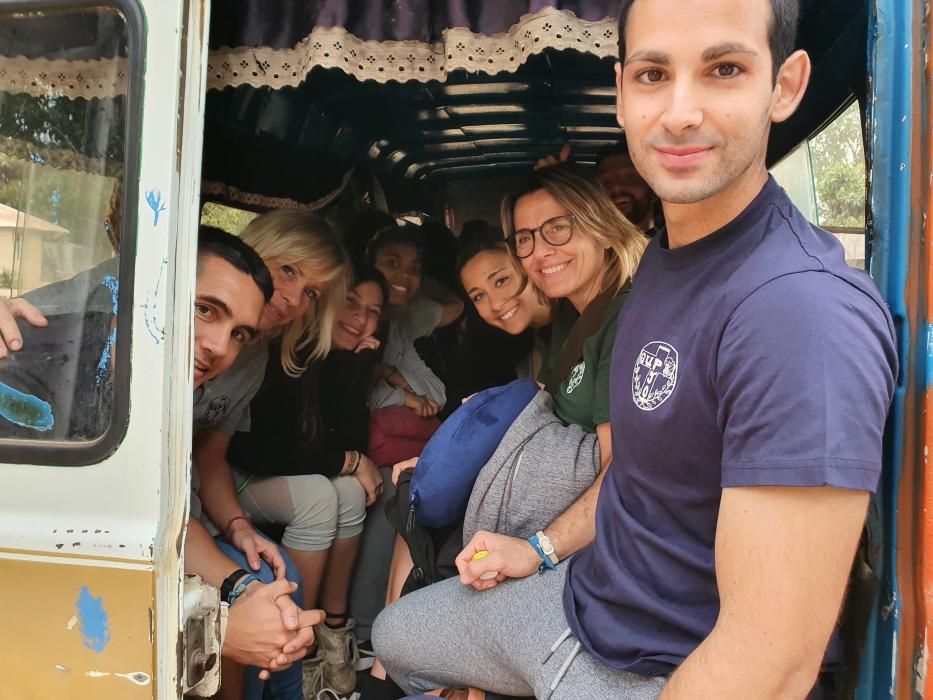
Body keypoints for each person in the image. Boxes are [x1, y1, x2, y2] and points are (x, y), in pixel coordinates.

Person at [372, 1, 898, 699]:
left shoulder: (799, 313)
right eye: (653, 74)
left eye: (724, 69)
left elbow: (764, 666)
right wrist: (537, 551)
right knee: (393, 641)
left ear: (785, 85)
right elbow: (636, 470)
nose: (680, 112)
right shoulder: (661, 261)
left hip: (658, 668)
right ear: (621, 95)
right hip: (581, 600)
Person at [0, 227, 323, 696]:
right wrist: (213, 629)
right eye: (205, 309)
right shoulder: (32, 367)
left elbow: (162, 515)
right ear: (153, 285)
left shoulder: (151, 395)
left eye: (239, 334)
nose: (219, 347)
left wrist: (239, 591)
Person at [226, 261, 390, 695]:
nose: (360, 318)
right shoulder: (289, 351)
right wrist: (351, 461)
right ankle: (303, 636)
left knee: (350, 493)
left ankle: (332, 633)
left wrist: (355, 370)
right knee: (321, 493)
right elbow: (264, 450)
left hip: (274, 473)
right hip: (238, 474)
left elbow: (347, 440)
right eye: (350, 303)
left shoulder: (331, 360)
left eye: (373, 312)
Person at [367, 224, 463, 466]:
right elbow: (355, 392)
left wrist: (387, 372)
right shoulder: (351, 321)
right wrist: (405, 397)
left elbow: (436, 394)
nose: (405, 276)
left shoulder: (397, 326)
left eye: (415, 269)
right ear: (368, 266)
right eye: (392, 263)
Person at [595, 136, 658, 233]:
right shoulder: (584, 245)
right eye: (606, 181)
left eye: (630, 177)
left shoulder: (678, 244)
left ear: (654, 189)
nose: (616, 187)